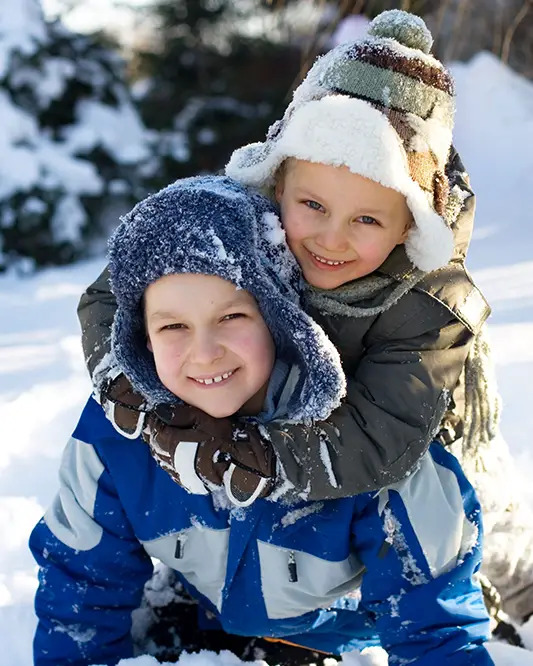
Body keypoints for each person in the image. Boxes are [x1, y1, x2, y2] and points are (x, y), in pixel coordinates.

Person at [76, 10, 533, 622]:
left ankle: (512, 603)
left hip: (429, 452)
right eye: (311, 204)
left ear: (410, 224)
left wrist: (257, 456)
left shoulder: (430, 307)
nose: (330, 239)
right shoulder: (245, 225)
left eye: (367, 220)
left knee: (482, 544)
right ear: (277, 184)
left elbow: (379, 438)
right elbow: (118, 290)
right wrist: (126, 380)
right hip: (294, 427)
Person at [30, 175, 493, 666]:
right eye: (173, 326)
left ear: (279, 319)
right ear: (141, 337)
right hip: (203, 614)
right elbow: (79, 587)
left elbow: (435, 625)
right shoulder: (117, 439)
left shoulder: (358, 442)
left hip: (339, 633)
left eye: (232, 317)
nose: (205, 353)